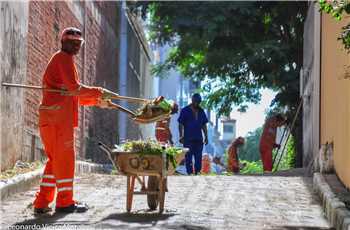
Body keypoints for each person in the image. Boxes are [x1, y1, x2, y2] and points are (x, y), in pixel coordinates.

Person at [33, 27, 111, 215]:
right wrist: (98, 92)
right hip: (58, 121)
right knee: (66, 161)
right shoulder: (63, 58)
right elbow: (75, 89)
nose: (76, 47)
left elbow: (72, 95)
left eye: (78, 44)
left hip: (52, 119)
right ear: (63, 42)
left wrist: (98, 101)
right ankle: (65, 203)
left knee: (55, 161)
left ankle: (42, 202)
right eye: (73, 43)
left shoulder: (62, 60)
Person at [178, 93, 209, 175]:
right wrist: (181, 136)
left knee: (198, 158)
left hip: (199, 139)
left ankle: (197, 172)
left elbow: (204, 125)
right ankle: (189, 173)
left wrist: (206, 136)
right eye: (195, 102)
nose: (197, 104)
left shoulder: (201, 111)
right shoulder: (185, 110)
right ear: (192, 101)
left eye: (198, 102)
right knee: (188, 158)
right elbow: (180, 124)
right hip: (188, 139)